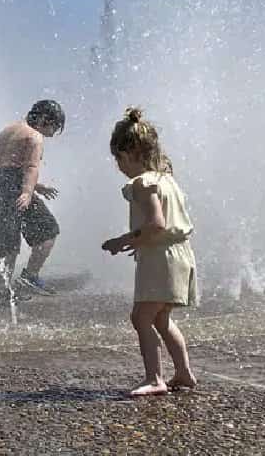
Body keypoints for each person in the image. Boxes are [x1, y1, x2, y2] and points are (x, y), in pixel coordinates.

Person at [102, 107, 197, 397]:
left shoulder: (143, 183)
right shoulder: (167, 178)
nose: (118, 166)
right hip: (178, 254)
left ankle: (155, 379)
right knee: (160, 318)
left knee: (141, 318)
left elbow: (156, 222)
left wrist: (125, 240)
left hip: (162, 259)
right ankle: (183, 373)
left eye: (118, 159)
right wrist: (141, 242)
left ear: (129, 153)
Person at [0, 99, 64, 299]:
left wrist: (36, 186)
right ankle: (28, 277)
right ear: (44, 120)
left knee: (7, 243)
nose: (54, 132)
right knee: (48, 230)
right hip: (13, 189)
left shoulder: (10, 129)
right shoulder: (35, 136)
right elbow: (31, 167)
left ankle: (5, 288)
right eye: (55, 126)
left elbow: (5, 164)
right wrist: (27, 191)